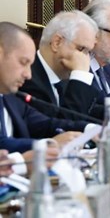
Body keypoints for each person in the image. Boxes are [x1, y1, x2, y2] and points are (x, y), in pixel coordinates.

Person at [20, 10, 110, 125]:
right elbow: (63, 125)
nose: (86, 59)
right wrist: (80, 76)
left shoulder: (64, 73)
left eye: (88, 52)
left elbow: (89, 110)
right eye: (82, 49)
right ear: (57, 42)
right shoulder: (27, 78)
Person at [0, 22, 91, 171]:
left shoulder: (10, 98)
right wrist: (48, 144)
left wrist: (90, 129)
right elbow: (2, 142)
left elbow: (46, 123)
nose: (28, 75)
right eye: (23, 62)